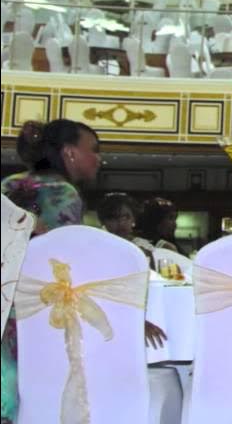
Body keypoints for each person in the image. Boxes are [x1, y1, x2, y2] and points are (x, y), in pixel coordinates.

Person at [1, 120, 163, 424]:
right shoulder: (63, 193)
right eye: (94, 150)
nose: (99, 158)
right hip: (36, 308)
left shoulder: (7, 184)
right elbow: (68, 268)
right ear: (70, 153)